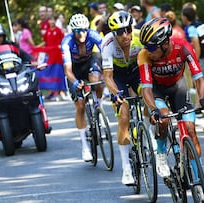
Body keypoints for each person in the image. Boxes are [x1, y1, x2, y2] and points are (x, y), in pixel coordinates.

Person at [138, 18, 204, 200]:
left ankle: (199, 184)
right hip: (157, 91)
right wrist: (153, 109)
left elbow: (199, 78)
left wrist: (202, 99)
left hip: (178, 88)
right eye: (146, 47)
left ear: (165, 43)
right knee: (164, 117)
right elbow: (146, 89)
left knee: (190, 130)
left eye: (151, 47)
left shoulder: (183, 47)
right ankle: (162, 153)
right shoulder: (144, 55)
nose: (148, 51)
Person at [101, 11, 143, 185]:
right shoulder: (108, 44)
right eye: (120, 32)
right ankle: (126, 168)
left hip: (136, 71)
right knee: (124, 115)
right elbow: (108, 77)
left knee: (149, 97)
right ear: (113, 33)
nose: (125, 35)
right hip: (117, 77)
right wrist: (117, 94)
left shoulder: (140, 37)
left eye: (128, 29)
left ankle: (147, 132)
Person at [60, 13, 104, 161]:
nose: (82, 33)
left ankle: (99, 106)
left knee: (96, 80)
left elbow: (106, 50)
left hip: (89, 62)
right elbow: (67, 70)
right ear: (73, 31)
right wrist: (74, 82)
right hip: (74, 69)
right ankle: (85, 145)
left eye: (85, 30)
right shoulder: (67, 42)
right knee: (80, 106)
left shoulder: (93, 35)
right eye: (78, 31)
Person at [0, 22, 35, 138]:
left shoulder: (11, 45)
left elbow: (26, 57)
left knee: (32, 87)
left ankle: (36, 115)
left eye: (0, 36)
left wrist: (34, 62)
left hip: (14, 78)